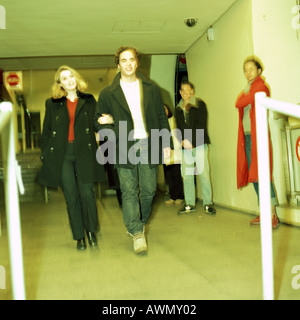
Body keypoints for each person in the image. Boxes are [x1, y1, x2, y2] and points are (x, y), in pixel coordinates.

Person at [94, 46, 171, 254]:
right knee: (129, 191)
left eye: (131, 59)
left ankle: (140, 222)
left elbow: (162, 118)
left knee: (149, 191)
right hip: (123, 145)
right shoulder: (108, 93)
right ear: (117, 64)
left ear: (137, 63)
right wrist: (108, 122)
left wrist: (165, 144)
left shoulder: (151, 89)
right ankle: (137, 233)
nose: (128, 63)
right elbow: (98, 122)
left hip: (148, 143)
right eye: (123, 60)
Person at [38, 65, 106, 250]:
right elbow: (47, 132)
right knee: (72, 197)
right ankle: (79, 237)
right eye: (64, 78)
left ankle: (91, 231)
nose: (69, 80)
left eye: (71, 76)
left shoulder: (89, 100)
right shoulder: (52, 103)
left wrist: (107, 122)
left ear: (76, 78)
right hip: (62, 154)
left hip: (84, 151)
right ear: (59, 84)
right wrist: (45, 155)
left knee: (87, 194)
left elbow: (96, 125)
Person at [235, 55, 280, 228]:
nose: (248, 73)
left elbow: (241, 101)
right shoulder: (249, 88)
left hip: (257, 136)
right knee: (255, 176)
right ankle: (264, 212)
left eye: (251, 69)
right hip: (247, 136)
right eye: (245, 70)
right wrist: (243, 97)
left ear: (259, 70)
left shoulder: (260, 86)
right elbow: (237, 102)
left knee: (262, 175)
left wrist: (244, 97)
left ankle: (273, 214)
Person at [175, 81, 216, 215]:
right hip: (185, 147)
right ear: (180, 92)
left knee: (203, 174)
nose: (186, 93)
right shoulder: (178, 108)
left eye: (188, 90)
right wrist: (182, 141)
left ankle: (208, 203)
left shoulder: (199, 104)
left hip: (199, 144)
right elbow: (178, 128)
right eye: (183, 90)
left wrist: (192, 142)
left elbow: (201, 124)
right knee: (187, 176)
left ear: (192, 91)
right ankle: (190, 203)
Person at [163, 104, 184, 206]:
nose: (163, 111)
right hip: (164, 153)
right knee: (169, 176)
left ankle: (179, 196)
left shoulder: (174, 120)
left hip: (175, 151)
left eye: (165, 109)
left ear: (168, 110)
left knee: (176, 175)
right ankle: (172, 196)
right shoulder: (160, 123)